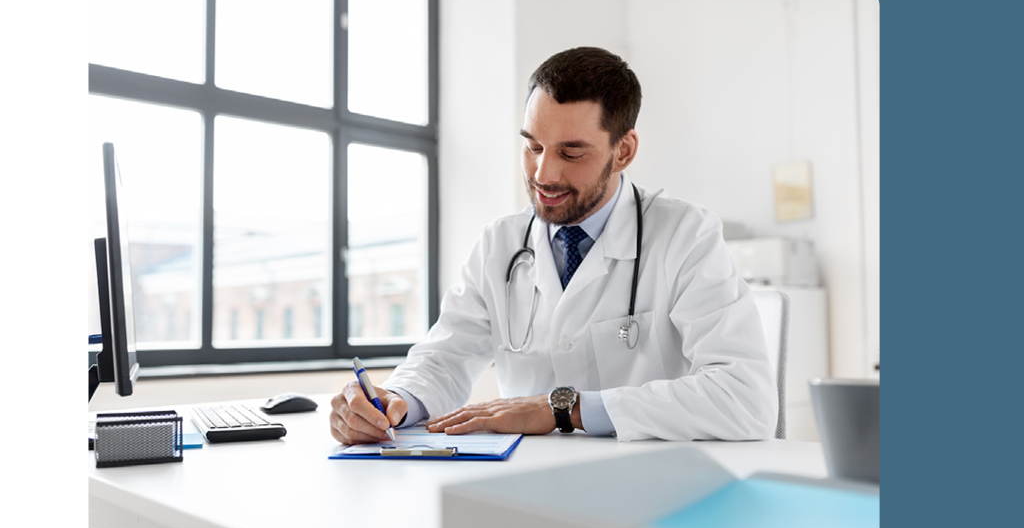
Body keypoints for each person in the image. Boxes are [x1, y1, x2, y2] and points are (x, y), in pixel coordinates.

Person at [329, 47, 775, 444]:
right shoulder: (500, 243)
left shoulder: (685, 235)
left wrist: (564, 409)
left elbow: (745, 397)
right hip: (524, 486)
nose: (543, 173)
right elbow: (445, 357)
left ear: (623, 151)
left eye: (571, 153)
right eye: (533, 146)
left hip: (651, 488)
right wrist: (394, 400)